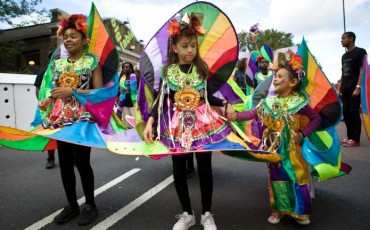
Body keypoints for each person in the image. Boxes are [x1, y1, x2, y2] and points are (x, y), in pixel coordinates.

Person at [143, 13, 234, 230]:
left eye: (193, 45)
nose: (190, 50)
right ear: (174, 48)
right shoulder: (168, 72)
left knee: (204, 169)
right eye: (184, 46)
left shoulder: (202, 70)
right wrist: (151, 121)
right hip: (177, 126)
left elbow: (208, 97)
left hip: (203, 123)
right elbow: (161, 100)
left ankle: (206, 214)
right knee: (178, 169)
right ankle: (187, 214)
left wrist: (225, 104)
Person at [228, 52, 322, 225]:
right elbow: (252, 113)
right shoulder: (268, 102)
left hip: (294, 152)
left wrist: (302, 133)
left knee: (297, 178)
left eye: (280, 76)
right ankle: (278, 210)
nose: (276, 79)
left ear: (293, 82)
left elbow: (316, 118)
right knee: (277, 180)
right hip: (274, 151)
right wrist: (235, 116)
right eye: (275, 76)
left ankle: (301, 212)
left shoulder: (298, 101)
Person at [38, 14, 102, 225]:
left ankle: (90, 205)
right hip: (60, 117)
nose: (68, 39)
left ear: (84, 40)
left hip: (83, 116)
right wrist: (48, 99)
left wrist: (73, 91)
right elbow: (55, 91)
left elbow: (99, 92)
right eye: (65, 36)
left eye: (73, 36)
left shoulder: (92, 62)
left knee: (82, 161)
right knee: (65, 162)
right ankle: (72, 205)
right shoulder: (57, 65)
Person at [339, 31, 367, 147]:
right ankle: (350, 137)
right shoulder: (344, 56)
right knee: (346, 114)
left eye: (343, 38)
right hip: (345, 89)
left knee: (354, 113)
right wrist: (340, 87)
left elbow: (362, 70)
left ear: (351, 39)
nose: (341, 40)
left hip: (354, 88)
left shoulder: (360, 52)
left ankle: (356, 139)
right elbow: (343, 72)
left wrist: (358, 87)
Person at [34, 50, 56, 169]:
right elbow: (37, 89)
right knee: (48, 133)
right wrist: (43, 103)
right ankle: (51, 158)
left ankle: (73, 157)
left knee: (68, 130)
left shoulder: (65, 70)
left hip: (64, 107)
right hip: (48, 108)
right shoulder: (43, 73)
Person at [116, 61, 139, 128]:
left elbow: (140, 89)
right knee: (125, 123)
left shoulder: (136, 77)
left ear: (131, 69)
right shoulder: (122, 78)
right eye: (123, 67)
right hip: (124, 104)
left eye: (126, 67)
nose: (124, 68)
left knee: (134, 124)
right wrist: (119, 91)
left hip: (133, 104)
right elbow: (118, 90)